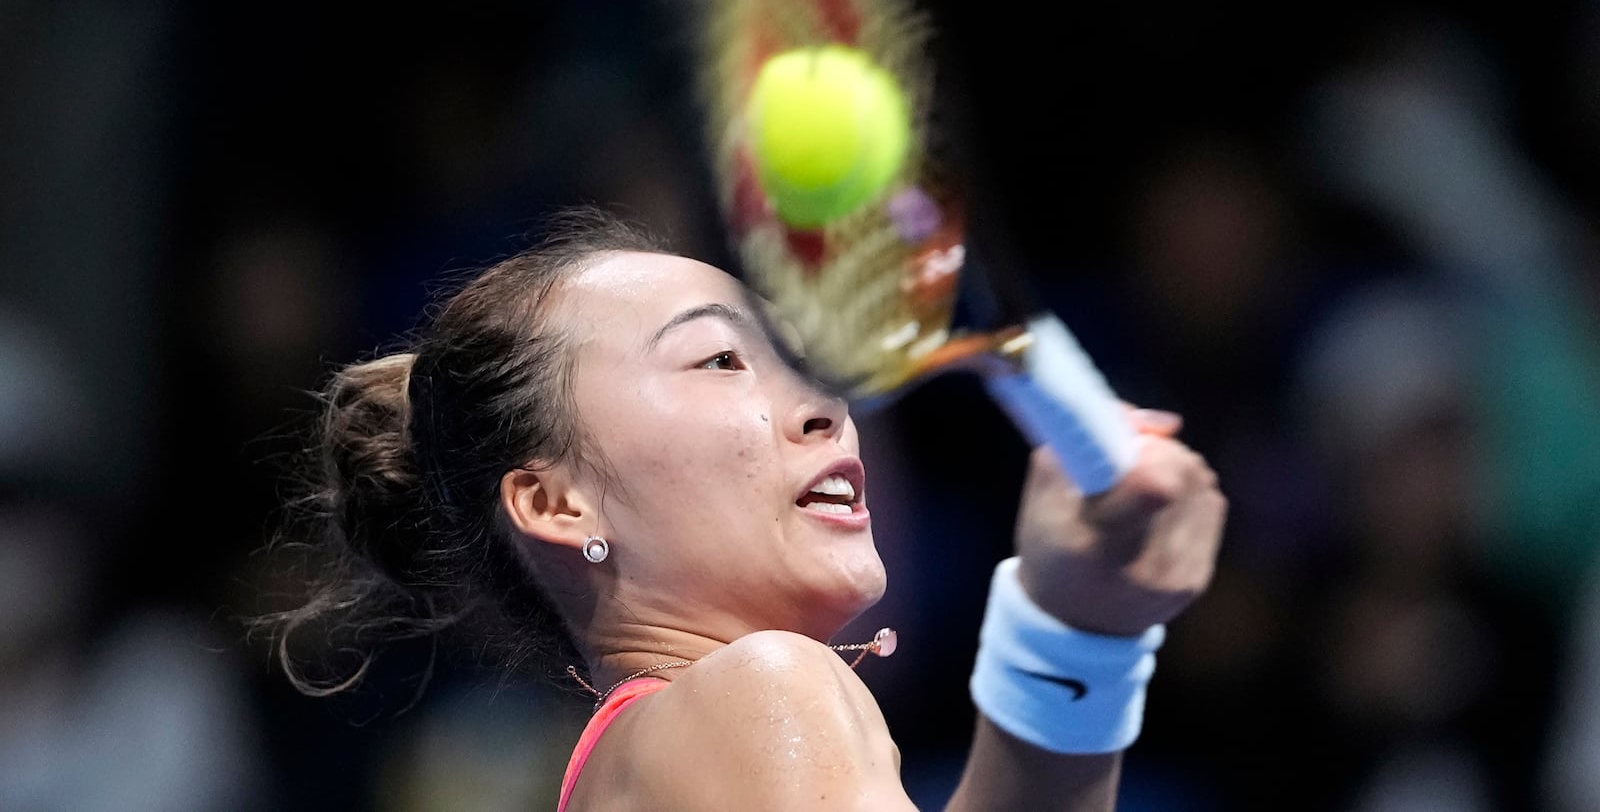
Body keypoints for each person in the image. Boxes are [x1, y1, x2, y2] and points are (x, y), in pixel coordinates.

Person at [256, 205, 1227, 810]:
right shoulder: (758, 691)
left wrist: (1075, 630)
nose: (822, 405)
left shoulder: (649, 757)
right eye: (720, 359)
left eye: (796, 359)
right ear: (554, 498)